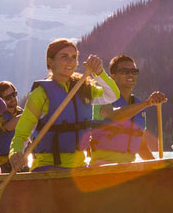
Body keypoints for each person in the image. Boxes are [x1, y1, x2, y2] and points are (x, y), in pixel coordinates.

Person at [9, 39, 119, 171]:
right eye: (64, 57)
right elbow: (21, 134)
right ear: (50, 62)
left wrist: (99, 72)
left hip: (80, 166)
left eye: (74, 57)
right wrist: (15, 152)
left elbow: (113, 94)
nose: (71, 61)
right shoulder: (40, 95)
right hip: (48, 167)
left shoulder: (84, 89)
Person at [89, 55, 169, 164]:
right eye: (124, 71)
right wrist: (147, 103)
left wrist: (158, 167)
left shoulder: (138, 104)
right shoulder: (103, 97)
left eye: (133, 71)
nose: (130, 74)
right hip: (102, 166)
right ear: (112, 76)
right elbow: (115, 116)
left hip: (128, 167)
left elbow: (141, 146)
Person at [0, 80, 23, 170]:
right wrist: (29, 115)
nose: (12, 99)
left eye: (13, 94)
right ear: (1, 100)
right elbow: (8, 127)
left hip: (21, 160)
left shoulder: (20, 112)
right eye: (8, 97)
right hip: (2, 163)